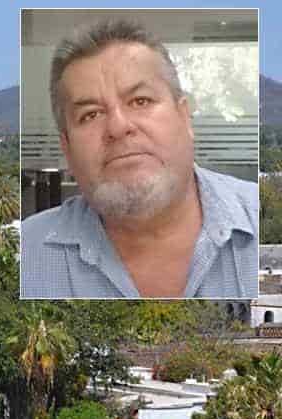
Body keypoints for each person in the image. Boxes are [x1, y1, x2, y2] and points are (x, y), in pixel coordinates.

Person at [20, 19, 258, 299]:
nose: (118, 128)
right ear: (67, 149)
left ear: (184, 117)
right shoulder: (24, 255)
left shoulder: (257, 216)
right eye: (91, 114)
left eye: (140, 101)